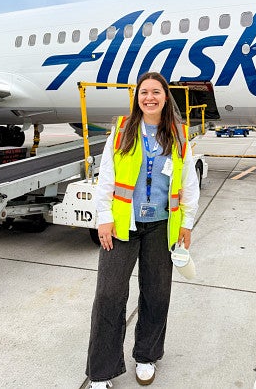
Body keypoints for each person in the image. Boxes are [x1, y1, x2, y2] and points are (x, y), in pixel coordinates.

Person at [85, 72, 200, 388]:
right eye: (144, 92)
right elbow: (106, 177)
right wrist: (104, 217)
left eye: (156, 92)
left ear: (166, 97)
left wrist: (187, 223)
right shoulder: (122, 130)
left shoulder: (178, 135)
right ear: (137, 98)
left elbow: (188, 184)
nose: (150, 97)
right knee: (109, 295)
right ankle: (101, 371)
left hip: (162, 227)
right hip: (123, 225)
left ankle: (146, 356)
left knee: (157, 294)